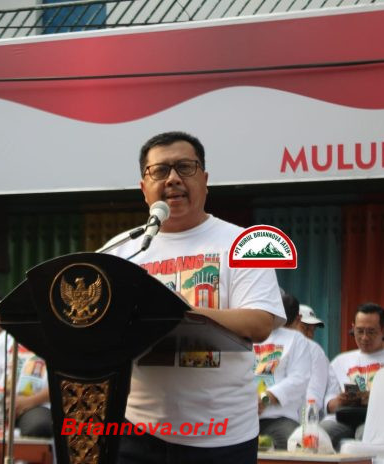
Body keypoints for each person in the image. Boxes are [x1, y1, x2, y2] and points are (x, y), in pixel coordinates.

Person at [108, 131, 285, 463]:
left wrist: (178, 311)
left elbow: (259, 322)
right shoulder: (121, 250)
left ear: (205, 180)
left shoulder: (245, 244)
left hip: (221, 437)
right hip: (135, 430)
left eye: (185, 167)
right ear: (144, 188)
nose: (173, 178)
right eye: (160, 170)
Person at [320, 303, 384, 450]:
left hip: (379, 419)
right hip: (343, 417)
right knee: (318, 436)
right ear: (353, 328)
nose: (364, 337)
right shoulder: (340, 361)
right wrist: (340, 400)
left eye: (371, 332)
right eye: (359, 331)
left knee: (366, 438)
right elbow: (329, 404)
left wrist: (374, 399)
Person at [0, 333, 51, 437]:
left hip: (37, 404)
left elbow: (64, 383)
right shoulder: (5, 337)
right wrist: (3, 400)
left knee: (39, 426)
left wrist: (27, 402)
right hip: (0, 403)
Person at [255, 293, 310, 450]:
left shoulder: (296, 339)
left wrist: (264, 399)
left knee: (290, 444)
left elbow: (299, 379)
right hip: (242, 416)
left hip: (279, 419)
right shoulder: (247, 336)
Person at [288, 301, 331, 417]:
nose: (310, 334)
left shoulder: (317, 354)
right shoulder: (278, 349)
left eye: (312, 330)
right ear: (292, 324)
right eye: (305, 328)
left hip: (307, 418)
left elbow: (314, 394)